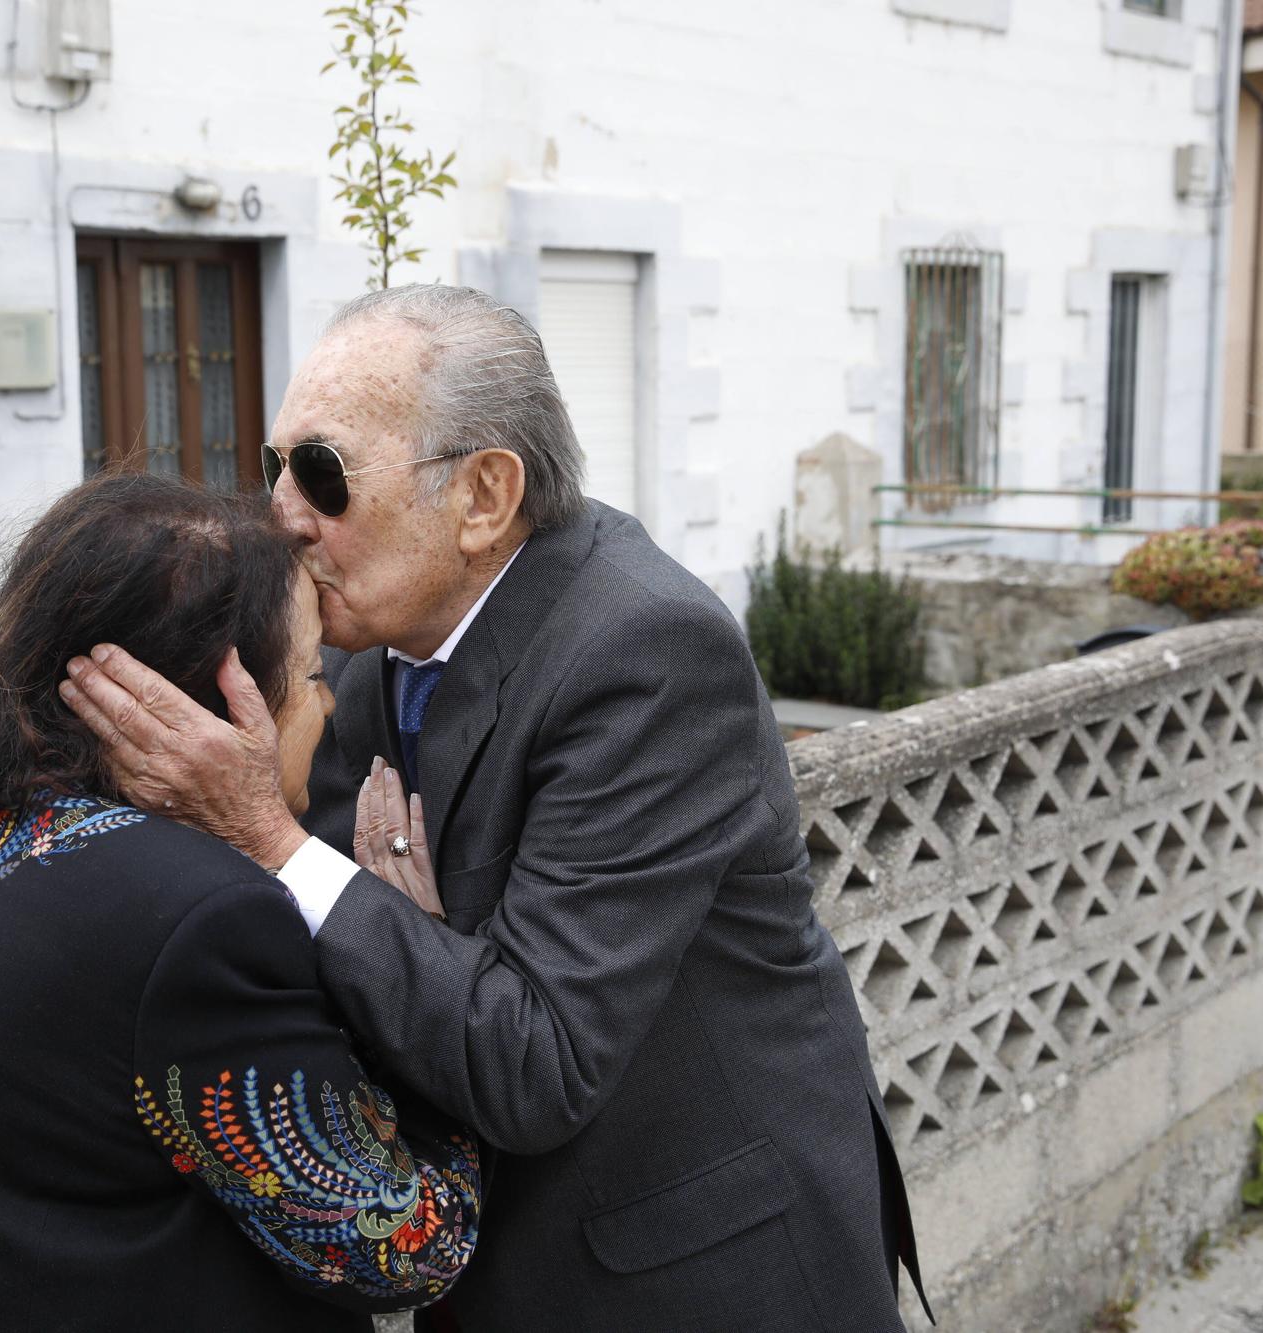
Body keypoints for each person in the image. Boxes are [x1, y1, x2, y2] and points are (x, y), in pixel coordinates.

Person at [61, 285, 932, 1331]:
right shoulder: (371, 655)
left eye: (324, 476)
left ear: (482, 495)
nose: (281, 515)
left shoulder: (644, 652)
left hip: (694, 1263)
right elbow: (343, 946)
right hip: (503, 1257)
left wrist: (272, 839)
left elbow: (535, 1059)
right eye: (274, 469)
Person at [0, 474, 481, 1332]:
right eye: (313, 673)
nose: (325, 702)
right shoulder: (196, 920)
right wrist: (417, 959)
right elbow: (408, 1247)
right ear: (223, 701)